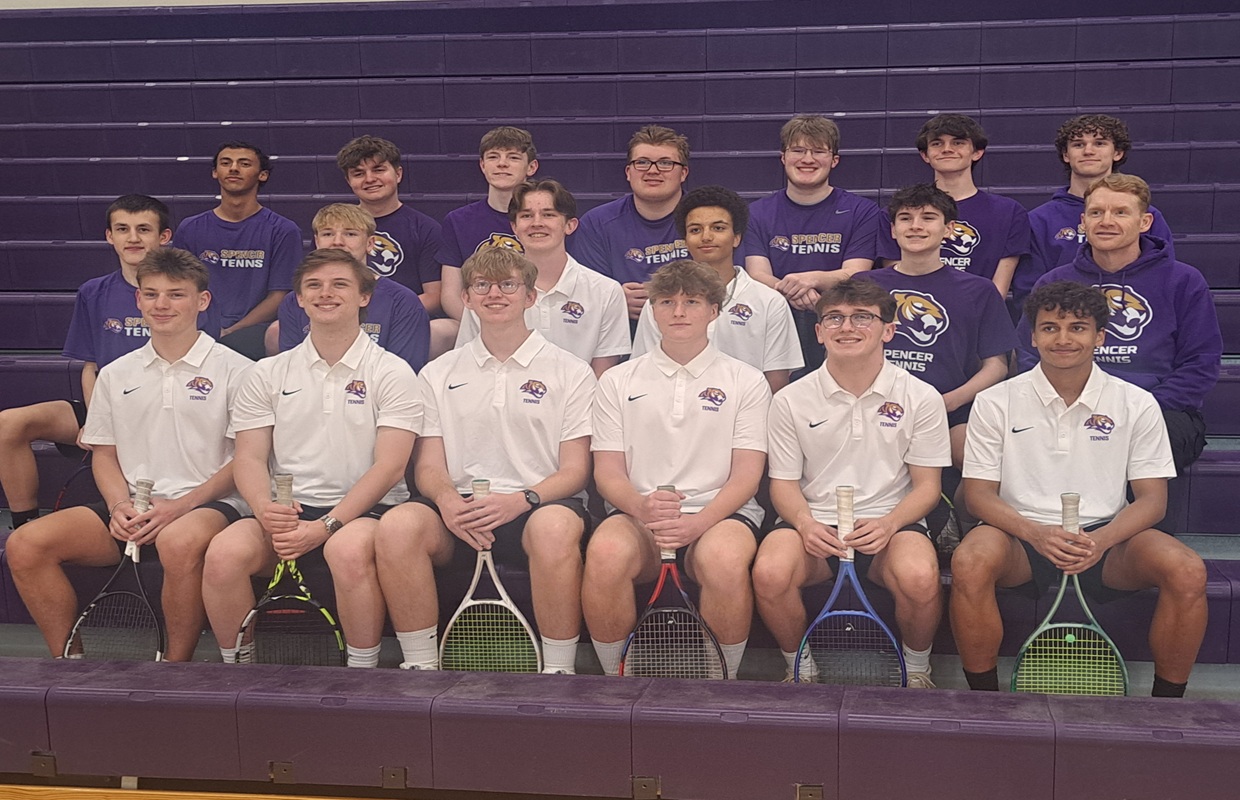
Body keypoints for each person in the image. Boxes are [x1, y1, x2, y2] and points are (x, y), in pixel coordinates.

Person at [952, 280, 1207, 697]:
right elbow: (979, 496)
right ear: (1033, 337)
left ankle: (1166, 705)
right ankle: (985, 701)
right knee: (970, 560)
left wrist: (1100, 540)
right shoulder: (995, 401)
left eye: (1078, 327)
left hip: (1107, 540)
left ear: (1100, 336)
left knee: (1188, 570)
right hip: (1018, 535)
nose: (1063, 338)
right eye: (1050, 327)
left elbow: (1152, 500)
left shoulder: (1136, 402)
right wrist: (1036, 533)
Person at [6, 248, 251, 662]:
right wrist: (119, 504)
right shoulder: (115, 372)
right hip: (133, 509)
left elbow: (247, 459)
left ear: (202, 301)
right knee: (25, 545)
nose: (162, 305)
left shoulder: (241, 371)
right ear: (137, 300)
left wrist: (178, 507)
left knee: (176, 541)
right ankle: (70, 664)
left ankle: (176, 668)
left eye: (176, 295)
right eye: (151, 294)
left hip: (210, 503)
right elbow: (104, 454)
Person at [374, 247, 597, 674]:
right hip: (458, 512)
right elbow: (428, 469)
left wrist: (520, 500)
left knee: (553, 531)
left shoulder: (571, 372)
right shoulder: (437, 374)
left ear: (530, 297)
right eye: (482, 285)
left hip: (538, 506)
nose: (495, 294)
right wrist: (447, 502)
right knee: (398, 526)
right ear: (468, 299)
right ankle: (420, 667)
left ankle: (559, 670)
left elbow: (575, 471)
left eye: (508, 284)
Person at [201, 249, 421, 667]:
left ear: (363, 297)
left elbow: (390, 467)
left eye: (339, 284)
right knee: (223, 555)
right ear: (299, 299)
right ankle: (236, 671)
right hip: (284, 514)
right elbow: (248, 458)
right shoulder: (266, 373)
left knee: (348, 552)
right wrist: (266, 510)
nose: (325, 294)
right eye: (313, 286)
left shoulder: (392, 372)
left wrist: (327, 525)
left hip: (364, 513)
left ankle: (362, 672)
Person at [752, 278, 949, 687]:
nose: (847, 327)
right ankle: (799, 668)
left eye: (862, 317)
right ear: (819, 332)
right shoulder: (790, 399)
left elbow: (928, 487)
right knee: (770, 572)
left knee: (919, 576)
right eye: (835, 318)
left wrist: (890, 524)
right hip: (812, 525)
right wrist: (806, 525)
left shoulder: (922, 396)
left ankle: (916, 670)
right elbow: (783, 485)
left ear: (888, 330)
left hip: (890, 526)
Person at [584, 259, 770, 680]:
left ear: (714, 310)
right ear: (652, 309)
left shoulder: (747, 381)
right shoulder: (617, 380)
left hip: (720, 515)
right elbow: (607, 472)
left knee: (723, 560)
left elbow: (746, 476)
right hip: (638, 514)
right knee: (605, 554)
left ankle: (723, 680)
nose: (679, 312)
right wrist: (642, 507)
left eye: (692, 301)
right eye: (667, 301)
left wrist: (697, 523)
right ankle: (618, 678)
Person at [1016, 173, 1221, 532]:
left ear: (1145, 222)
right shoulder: (1053, 282)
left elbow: (1199, 365)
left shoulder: (1183, 280)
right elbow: (1028, 354)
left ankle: (1133, 542)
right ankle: (1040, 540)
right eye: (1096, 213)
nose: (1106, 221)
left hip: (1157, 408)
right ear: (1083, 222)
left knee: (1157, 434)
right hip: (1066, 403)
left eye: (1120, 213)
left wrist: (1138, 410)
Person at [0, 194, 218, 531]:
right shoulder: (93, 291)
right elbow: (91, 366)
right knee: (9, 423)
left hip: (167, 405)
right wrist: (98, 420)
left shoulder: (185, 293)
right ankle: (23, 521)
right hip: (107, 401)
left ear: (164, 236)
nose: (132, 238)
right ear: (108, 236)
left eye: (143, 229)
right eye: (122, 229)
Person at [859, 184, 1017, 544]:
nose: (916, 226)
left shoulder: (978, 290)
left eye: (928, 217)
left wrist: (949, 401)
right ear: (893, 229)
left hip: (950, 413)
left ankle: (962, 522)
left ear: (948, 229)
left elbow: (997, 366)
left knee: (980, 454)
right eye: (905, 218)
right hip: (871, 408)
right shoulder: (865, 285)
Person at [742, 115, 883, 375]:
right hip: (777, 325)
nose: (808, 159)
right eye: (798, 150)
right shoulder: (757, 213)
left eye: (818, 151)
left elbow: (856, 273)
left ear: (834, 160)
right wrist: (795, 288)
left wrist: (812, 279)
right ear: (783, 157)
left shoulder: (862, 211)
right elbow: (757, 274)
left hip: (842, 327)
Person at [632, 185, 802, 393]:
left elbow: (776, 381)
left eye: (718, 228)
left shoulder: (768, 301)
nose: (706, 237)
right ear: (685, 240)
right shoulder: (660, 301)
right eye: (695, 230)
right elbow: (644, 372)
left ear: (737, 237)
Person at [454, 179, 630, 377]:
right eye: (527, 215)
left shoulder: (606, 291)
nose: (537, 223)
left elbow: (602, 378)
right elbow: (469, 363)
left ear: (570, 225)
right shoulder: (488, 293)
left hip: (578, 404)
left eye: (548, 215)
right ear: (514, 226)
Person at [1013, 114, 1174, 311]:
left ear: (1118, 153)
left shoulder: (1147, 216)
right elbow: (1029, 293)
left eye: (1099, 143)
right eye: (1078, 144)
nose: (1088, 151)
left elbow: (1163, 278)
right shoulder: (1039, 220)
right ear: (1066, 155)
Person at [172, 141, 302, 360]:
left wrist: (232, 332)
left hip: (257, 334)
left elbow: (280, 295)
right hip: (199, 331)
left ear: (262, 175)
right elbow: (179, 287)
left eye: (244, 163)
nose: (233, 168)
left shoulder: (283, 230)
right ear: (215, 172)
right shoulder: (190, 228)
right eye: (226, 163)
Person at [880, 114, 1029, 303]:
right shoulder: (898, 213)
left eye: (958, 143)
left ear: (977, 152)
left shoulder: (1009, 212)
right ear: (925, 155)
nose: (947, 149)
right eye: (937, 143)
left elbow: (997, 292)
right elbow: (898, 282)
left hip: (976, 317)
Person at [272, 203, 430, 372]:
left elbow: (402, 373)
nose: (337, 242)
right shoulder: (295, 300)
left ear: (370, 243)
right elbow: (292, 370)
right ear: (317, 242)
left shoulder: (403, 301)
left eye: (350, 234)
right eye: (328, 234)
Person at [570, 125, 691, 324]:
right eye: (642, 162)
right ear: (628, 172)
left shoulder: (708, 220)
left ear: (683, 173)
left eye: (665, 163)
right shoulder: (597, 223)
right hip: (624, 339)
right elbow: (584, 292)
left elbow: (725, 283)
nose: (653, 171)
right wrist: (614, 300)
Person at [435, 126, 540, 356]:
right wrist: (488, 322)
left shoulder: (543, 222)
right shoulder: (458, 221)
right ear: (482, 165)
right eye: (493, 157)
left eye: (513, 157)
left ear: (531, 167)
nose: (502, 164)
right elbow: (450, 295)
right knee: (436, 331)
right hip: (477, 321)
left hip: (535, 321)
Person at [336, 135, 444, 315]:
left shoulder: (426, 229)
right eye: (359, 173)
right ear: (349, 181)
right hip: (345, 317)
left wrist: (383, 316)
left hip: (402, 318)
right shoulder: (334, 229)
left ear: (398, 174)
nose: (369, 179)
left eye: (378, 170)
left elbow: (433, 296)